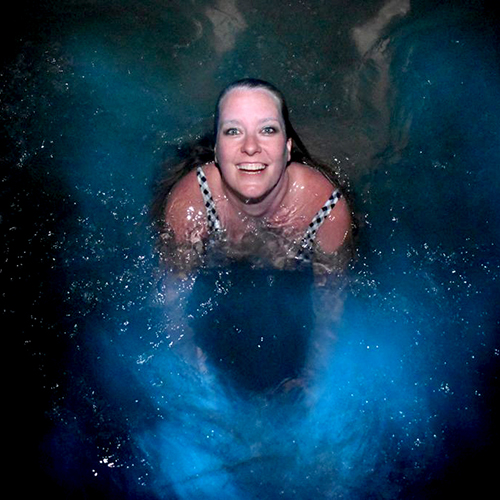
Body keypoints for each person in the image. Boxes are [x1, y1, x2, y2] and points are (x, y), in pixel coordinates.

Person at [153, 78, 354, 276]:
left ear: (287, 147)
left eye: (267, 130)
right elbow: (172, 295)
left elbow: (330, 299)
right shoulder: (191, 203)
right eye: (233, 131)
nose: (250, 147)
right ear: (216, 150)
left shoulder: (325, 210)